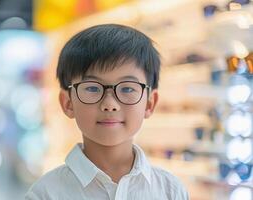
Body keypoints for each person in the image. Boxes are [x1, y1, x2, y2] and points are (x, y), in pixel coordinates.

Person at [25, 24, 189, 200]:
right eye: (93, 88)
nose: (110, 104)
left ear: (149, 103)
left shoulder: (170, 190)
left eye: (127, 89)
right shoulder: (45, 194)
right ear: (67, 103)